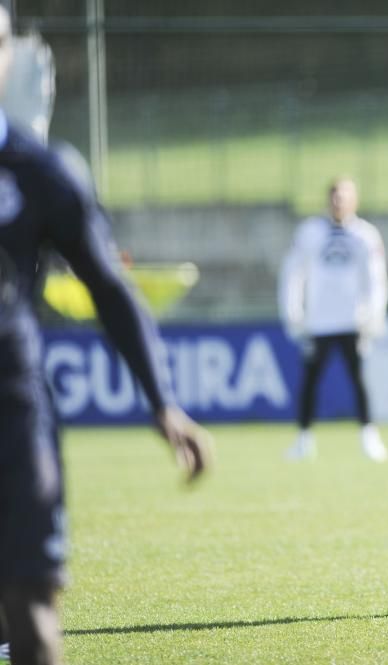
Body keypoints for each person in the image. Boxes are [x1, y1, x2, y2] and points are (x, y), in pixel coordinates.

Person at [0, 8, 212, 664]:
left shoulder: (38, 171)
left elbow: (109, 290)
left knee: (30, 606)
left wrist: (161, 398)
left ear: (6, 54)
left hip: (12, 414)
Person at [278, 178, 388, 463]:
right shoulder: (310, 232)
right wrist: (294, 313)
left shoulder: (365, 235)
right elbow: (293, 273)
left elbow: (376, 280)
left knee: (358, 380)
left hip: (353, 321)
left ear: (354, 200)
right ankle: (303, 439)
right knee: (310, 381)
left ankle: (369, 437)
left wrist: (373, 316)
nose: (338, 202)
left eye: (344, 196)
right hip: (319, 322)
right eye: (334, 197)